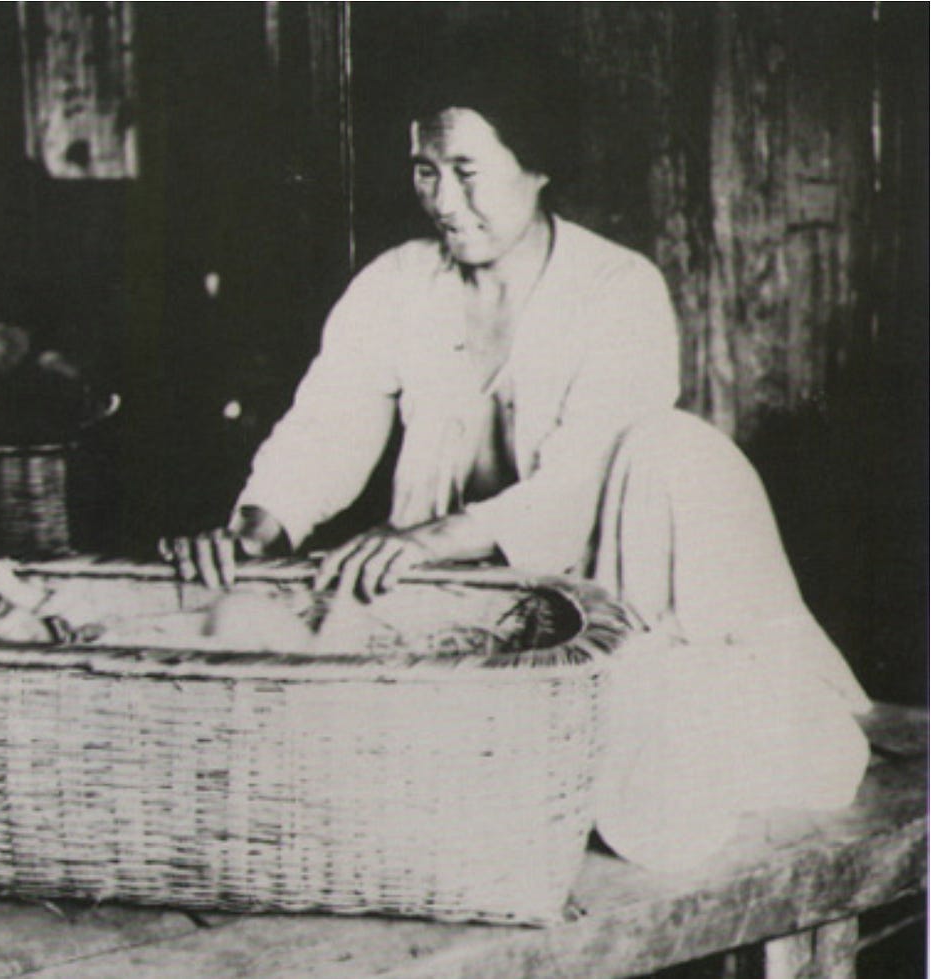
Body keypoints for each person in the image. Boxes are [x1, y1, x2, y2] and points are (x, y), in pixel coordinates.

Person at [158, 45, 869, 717]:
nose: (441, 200)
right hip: (449, 592)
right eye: (424, 170)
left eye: (466, 171)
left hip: (589, 599)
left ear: (537, 165)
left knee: (674, 454)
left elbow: (577, 485)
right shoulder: (396, 283)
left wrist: (426, 540)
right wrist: (256, 529)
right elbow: (327, 426)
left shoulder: (616, 290)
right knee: (247, 637)